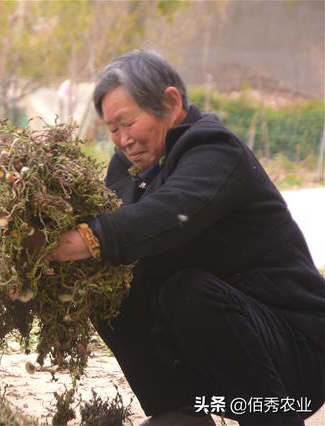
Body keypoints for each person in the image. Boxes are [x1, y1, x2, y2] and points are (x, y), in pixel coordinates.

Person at [49, 51, 325, 425]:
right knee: (110, 293)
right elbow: (119, 228)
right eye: (112, 130)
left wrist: (76, 241)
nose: (124, 139)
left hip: (298, 351)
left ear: (170, 102)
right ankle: (181, 412)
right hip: (214, 353)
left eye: (128, 122)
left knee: (188, 291)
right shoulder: (128, 169)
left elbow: (166, 214)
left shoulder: (214, 150)